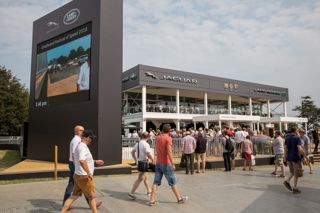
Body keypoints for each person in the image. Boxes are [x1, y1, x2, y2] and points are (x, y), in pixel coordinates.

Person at [60, 130, 104, 213]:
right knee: (91, 197)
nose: (91, 140)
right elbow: (82, 161)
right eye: (91, 138)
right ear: (86, 137)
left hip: (78, 175)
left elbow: (83, 159)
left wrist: (94, 161)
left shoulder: (80, 146)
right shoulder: (82, 147)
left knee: (74, 196)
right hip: (84, 176)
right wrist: (88, 173)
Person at [147, 124, 187, 206]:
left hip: (158, 162)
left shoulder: (157, 138)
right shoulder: (168, 138)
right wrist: (172, 163)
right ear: (169, 131)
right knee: (172, 182)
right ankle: (179, 199)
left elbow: (156, 149)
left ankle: (152, 200)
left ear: (162, 130)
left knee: (156, 182)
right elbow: (169, 152)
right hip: (166, 163)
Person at [128, 132, 154, 199]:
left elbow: (132, 152)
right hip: (144, 163)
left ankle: (149, 191)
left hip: (140, 162)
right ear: (148, 137)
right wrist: (153, 160)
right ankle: (131, 192)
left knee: (145, 177)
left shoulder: (138, 143)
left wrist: (136, 160)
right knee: (140, 178)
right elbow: (148, 153)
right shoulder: (146, 144)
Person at [283, 127, 309, 194]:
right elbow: (300, 149)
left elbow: (285, 149)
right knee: (296, 173)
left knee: (292, 172)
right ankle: (295, 188)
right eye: (298, 130)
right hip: (296, 157)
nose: (298, 132)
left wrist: (284, 158)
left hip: (289, 157)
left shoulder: (287, 138)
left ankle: (287, 181)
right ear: (295, 131)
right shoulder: (297, 138)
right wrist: (306, 157)